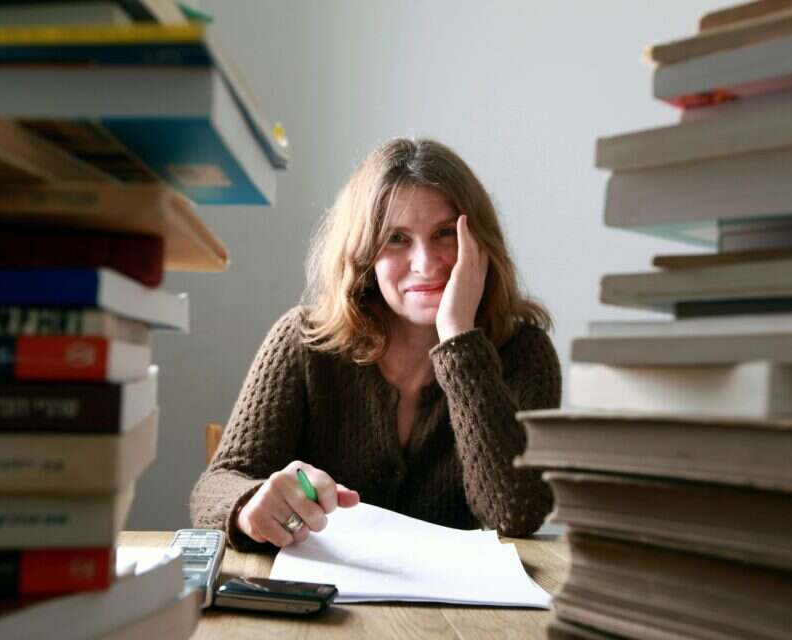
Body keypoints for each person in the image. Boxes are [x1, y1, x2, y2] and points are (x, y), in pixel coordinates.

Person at [190, 138, 561, 550]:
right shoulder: (304, 341)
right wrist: (250, 505)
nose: (426, 264)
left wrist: (459, 336)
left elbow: (516, 513)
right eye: (397, 238)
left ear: (480, 244)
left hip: (457, 593)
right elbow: (216, 486)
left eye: (444, 233)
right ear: (364, 253)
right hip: (320, 586)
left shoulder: (524, 352)